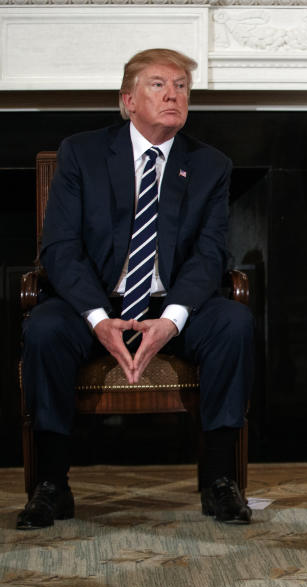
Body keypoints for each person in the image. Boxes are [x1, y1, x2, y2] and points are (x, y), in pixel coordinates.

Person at [18, 49, 254, 529]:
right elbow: (60, 249)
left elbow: (210, 256)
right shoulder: (81, 153)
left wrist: (171, 322)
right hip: (95, 304)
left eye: (182, 86)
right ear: (128, 100)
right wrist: (98, 319)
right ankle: (51, 484)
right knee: (42, 328)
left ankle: (218, 481)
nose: (173, 94)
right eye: (158, 84)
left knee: (234, 322)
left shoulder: (209, 165)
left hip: (171, 305)